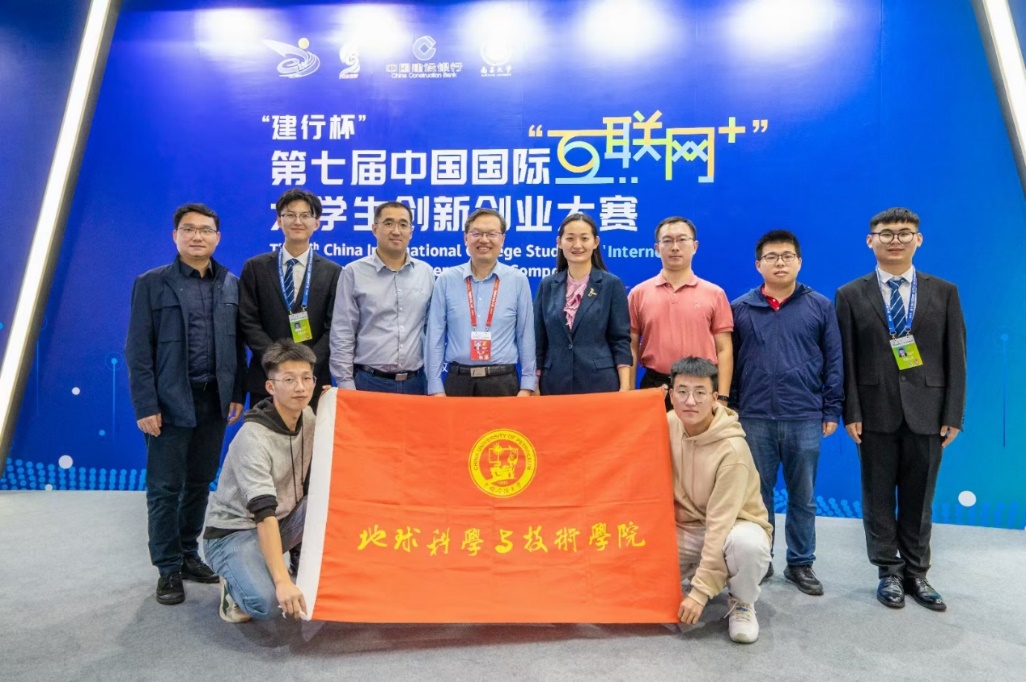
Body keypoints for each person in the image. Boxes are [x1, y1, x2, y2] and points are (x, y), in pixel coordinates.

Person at [835, 207, 966, 612]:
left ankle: (917, 573)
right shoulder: (850, 294)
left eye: (904, 233)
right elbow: (847, 360)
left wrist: (953, 414)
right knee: (877, 497)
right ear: (870, 240)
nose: (896, 240)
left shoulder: (944, 292)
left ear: (918, 239)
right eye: (886, 233)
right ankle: (888, 572)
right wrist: (851, 410)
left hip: (929, 411)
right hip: (873, 412)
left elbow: (956, 356)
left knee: (920, 498)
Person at [125, 203, 246, 606]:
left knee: (198, 482)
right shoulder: (151, 283)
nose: (197, 236)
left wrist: (235, 393)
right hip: (169, 402)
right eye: (189, 229)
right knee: (164, 488)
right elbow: (138, 350)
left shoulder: (230, 284)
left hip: (213, 401)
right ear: (175, 236)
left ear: (217, 238)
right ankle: (167, 568)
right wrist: (146, 404)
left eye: (206, 230)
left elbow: (237, 346)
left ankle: (189, 553)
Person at [730, 230, 843, 595]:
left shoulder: (820, 306)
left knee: (803, 497)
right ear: (758, 265)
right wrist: (732, 406)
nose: (780, 263)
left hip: (804, 415)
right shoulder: (741, 308)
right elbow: (730, 362)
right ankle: (760, 561)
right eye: (772, 257)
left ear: (799, 262)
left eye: (787, 256)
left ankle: (801, 563)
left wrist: (831, 408)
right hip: (753, 416)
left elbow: (834, 361)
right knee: (756, 496)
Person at [203, 340, 315, 623]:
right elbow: (263, 514)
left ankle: (263, 564)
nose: (300, 388)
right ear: (270, 387)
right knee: (267, 604)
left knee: (328, 503)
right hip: (234, 531)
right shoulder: (253, 438)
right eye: (289, 380)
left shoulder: (309, 417)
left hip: (282, 519)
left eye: (306, 378)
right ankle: (231, 581)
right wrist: (282, 581)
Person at [668, 356, 771, 644]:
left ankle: (742, 601)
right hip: (686, 527)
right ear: (671, 395)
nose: (690, 401)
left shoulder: (732, 450)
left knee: (747, 545)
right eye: (682, 391)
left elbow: (720, 524)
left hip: (732, 528)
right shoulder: (668, 424)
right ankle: (689, 577)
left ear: (715, 398)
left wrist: (699, 593)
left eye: (700, 393)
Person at [239, 189, 342, 412]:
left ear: (317, 223)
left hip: (312, 380)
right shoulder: (255, 267)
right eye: (290, 215)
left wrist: (307, 365)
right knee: (264, 434)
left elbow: (334, 326)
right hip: (267, 378)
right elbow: (248, 321)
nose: (298, 221)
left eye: (305, 215)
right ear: (279, 220)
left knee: (310, 435)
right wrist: (277, 362)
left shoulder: (333, 272)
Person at [425, 208, 536, 397]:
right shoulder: (446, 279)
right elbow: (435, 336)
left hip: (503, 381)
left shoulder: (517, 280)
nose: (484, 240)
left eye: (491, 234)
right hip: (458, 381)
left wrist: (527, 385)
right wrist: (435, 387)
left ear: (502, 239)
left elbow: (525, 335)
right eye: (476, 233)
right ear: (466, 238)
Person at [329, 201, 434, 394]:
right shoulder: (354, 272)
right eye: (388, 223)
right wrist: (346, 384)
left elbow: (431, 330)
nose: (396, 231)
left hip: (416, 383)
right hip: (369, 382)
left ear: (411, 232)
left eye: (403, 224)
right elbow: (343, 333)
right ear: (375, 229)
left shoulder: (425, 272)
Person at [629, 216, 733, 409]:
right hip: (655, 386)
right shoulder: (638, 293)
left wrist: (722, 397)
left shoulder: (715, 293)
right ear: (657, 248)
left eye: (682, 240)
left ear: (695, 246)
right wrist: (628, 391)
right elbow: (631, 347)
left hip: (702, 386)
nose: (675, 247)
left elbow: (724, 349)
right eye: (667, 241)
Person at [533, 213, 632, 394]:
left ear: (595, 242)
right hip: (554, 383)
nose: (577, 245)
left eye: (584, 238)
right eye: (570, 238)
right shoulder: (547, 285)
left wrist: (625, 386)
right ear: (559, 242)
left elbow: (620, 340)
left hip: (600, 383)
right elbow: (538, 341)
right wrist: (534, 383)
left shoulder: (611, 284)